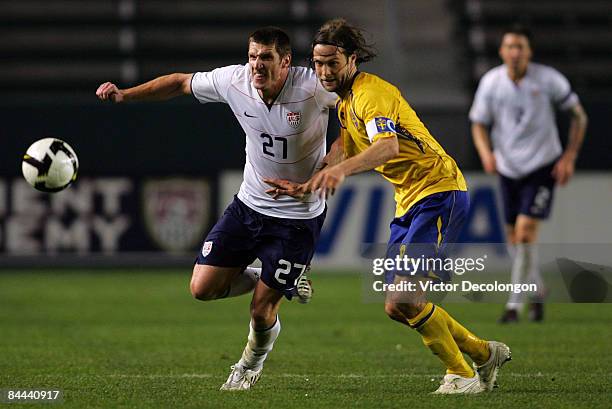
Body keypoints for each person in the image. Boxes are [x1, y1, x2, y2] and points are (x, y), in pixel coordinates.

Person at [265, 18, 510, 394]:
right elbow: (346, 145)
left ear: (353, 59)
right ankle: (482, 353)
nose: (324, 71)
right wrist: (308, 183)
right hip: (409, 202)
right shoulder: (346, 102)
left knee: (405, 298)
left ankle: (461, 374)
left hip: (438, 192)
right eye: (318, 63)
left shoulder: (370, 94)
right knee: (398, 306)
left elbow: (387, 147)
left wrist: (342, 173)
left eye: (333, 62)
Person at [96, 27, 337, 390]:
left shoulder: (313, 87)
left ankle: (248, 366)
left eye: (266, 58)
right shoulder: (234, 80)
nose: (256, 65)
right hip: (249, 206)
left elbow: (353, 121)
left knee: (260, 310)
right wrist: (124, 95)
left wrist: (333, 163)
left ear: (286, 62)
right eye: (252, 56)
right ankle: (274, 278)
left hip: (297, 219)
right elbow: (179, 83)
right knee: (202, 288)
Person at [469, 25, 588, 323]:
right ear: (501, 51)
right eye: (510, 46)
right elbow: (478, 123)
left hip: (542, 166)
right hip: (509, 168)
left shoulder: (548, 80)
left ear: (529, 52)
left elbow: (579, 116)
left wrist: (569, 156)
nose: (515, 52)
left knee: (524, 233)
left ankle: (513, 306)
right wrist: (486, 153)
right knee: (515, 240)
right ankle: (537, 290)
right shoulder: (492, 82)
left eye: (520, 47)